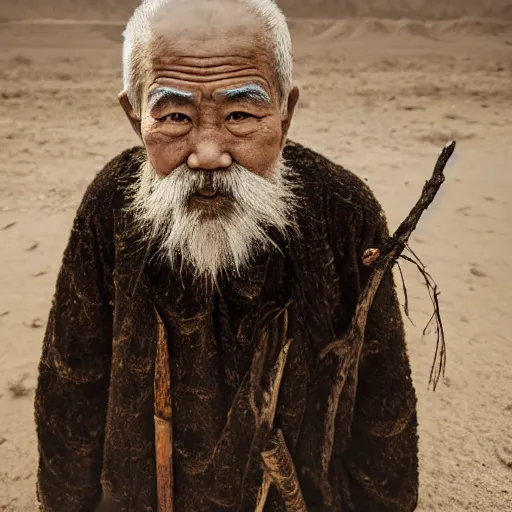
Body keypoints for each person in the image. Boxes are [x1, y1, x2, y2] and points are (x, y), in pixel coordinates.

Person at [34, 0, 419, 510]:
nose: (208, 153)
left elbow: (381, 390)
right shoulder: (112, 203)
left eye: (240, 114)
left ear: (285, 111)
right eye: (175, 115)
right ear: (134, 117)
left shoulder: (341, 209)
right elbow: (72, 381)